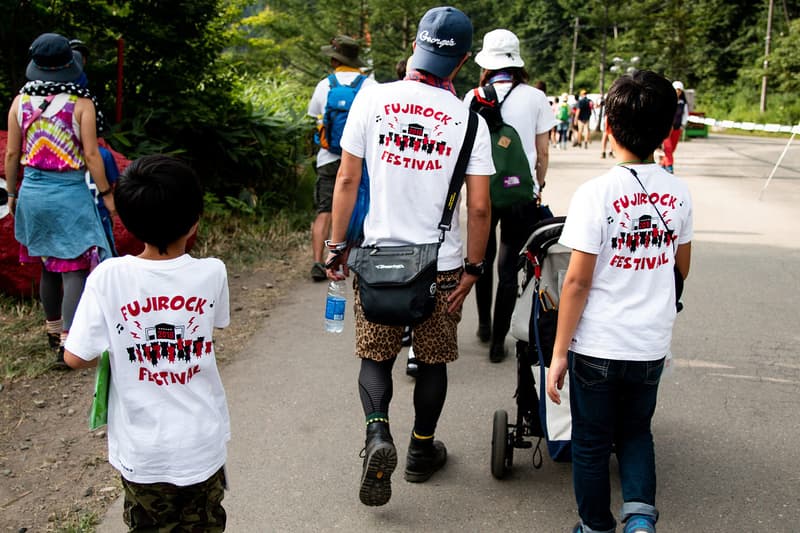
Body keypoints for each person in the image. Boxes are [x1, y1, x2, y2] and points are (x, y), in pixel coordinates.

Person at [324, 6, 493, 506]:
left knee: (375, 355)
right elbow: (479, 208)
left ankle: (378, 434)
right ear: (461, 63)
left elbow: (348, 180)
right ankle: (421, 450)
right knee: (434, 359)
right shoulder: (469, 119)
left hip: (378, 261)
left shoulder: (372, 100)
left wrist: (336, 248)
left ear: (416, 49)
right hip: (440, 267)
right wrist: (474, 270)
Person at [546, 70, 693, 533]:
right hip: (649, 342)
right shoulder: (678, 193)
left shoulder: (595, 194)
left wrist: (557, 352)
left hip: (598, 344)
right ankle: (640, 521)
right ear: (668, 129)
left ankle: (595, 527)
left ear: (607, 127)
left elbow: (575, 283)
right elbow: (681, 269)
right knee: (635, 433)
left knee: (590, 440)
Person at [64, 155, 231, 531]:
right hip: (202, 441)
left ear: (127, 220)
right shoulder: (212, 272)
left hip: (144, 451)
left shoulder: (109, 276)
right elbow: (214, 324)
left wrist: (120, 348)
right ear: (194, 221)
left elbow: (75, 357)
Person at [5, 32, 114, 366]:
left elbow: (11, 154)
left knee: (48, 265)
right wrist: (108, 195)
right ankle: (70, 340)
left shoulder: (20, 102)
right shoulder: (81, 104)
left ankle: (53, 332)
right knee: (75, 267)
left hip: (33, 194)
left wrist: (12, 193)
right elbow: (93, 156)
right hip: (68, 194)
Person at [464, 28, 557, 362]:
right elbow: (542, 152)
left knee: (481, 258)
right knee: (507, 266)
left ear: (487, 63)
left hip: (482, 192)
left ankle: (485, 325)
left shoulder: (473, 97)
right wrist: (539, 184)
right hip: (519, 193)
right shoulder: (535, 97)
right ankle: (498, 342)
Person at [307, 35, 375, 281]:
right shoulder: (370, 86)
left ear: (335, 59)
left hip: (328, 157)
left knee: (324, 210)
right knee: (360, 205)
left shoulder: (324, 85)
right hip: (358, 158)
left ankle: (317, 260)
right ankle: (356, 256)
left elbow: (314, 117)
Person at [659, 80, 689, 174]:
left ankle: (663, 164)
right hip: (667, 128)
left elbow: (685, 115)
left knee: (673, 149)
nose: (677, 92)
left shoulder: (683, 104)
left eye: (679, 90)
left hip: (677, 129)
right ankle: (670, 166)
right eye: (675, 89)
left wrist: (682, 125)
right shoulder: (666, 101)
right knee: (668, 148)